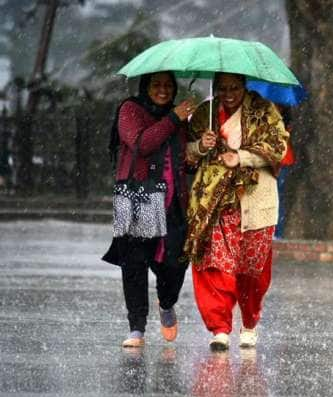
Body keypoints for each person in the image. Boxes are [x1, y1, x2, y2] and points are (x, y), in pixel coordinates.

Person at [184, 72, 288, 351]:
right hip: (214, 201)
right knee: (215, 263)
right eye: (223, 88)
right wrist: (199, 146)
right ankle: (219, 328)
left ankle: (250, 322)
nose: (229, 94)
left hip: (255, 199)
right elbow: (186, 154)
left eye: (234, 88)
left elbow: (278, 147)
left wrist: (241, 156)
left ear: (244, 86)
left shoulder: (264, 111)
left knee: (252, 269)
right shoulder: (204, 113)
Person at [103, 71, 195, 347]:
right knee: (135, 263)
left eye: (168, 85)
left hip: (174, 201)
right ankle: (137, 328)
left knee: (175, 261)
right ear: (146, 86)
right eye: (157, 85)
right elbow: (142, 143)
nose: (163, 90)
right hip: (137, 194)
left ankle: (166, 303)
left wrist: (200, 147)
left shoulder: (178, 118)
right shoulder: (131, 109)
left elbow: (188, 163)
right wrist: (173, 119)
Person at [274, 105, 295, 240]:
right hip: (281, 161)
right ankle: (275, 232)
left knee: (277, 198)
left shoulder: (282, 123)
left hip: (281, 162)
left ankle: (276, 232)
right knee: (277, 198)